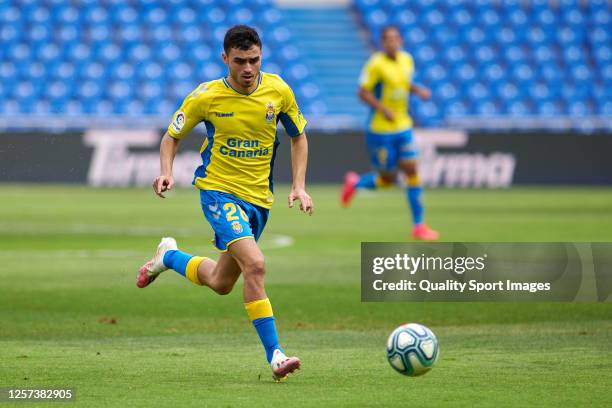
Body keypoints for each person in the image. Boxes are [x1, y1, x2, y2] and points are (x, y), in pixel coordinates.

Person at [136, 25, 313, 381]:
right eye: (240, 62)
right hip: (218, 191)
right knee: (257, 265)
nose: (248, 69)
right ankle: (275, 355)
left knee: (220, 282)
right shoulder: (206, 96)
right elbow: (171, 137)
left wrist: (299, 186)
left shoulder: (278, 90)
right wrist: (166, 171)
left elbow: (298, 137)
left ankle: (167, 256)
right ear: (225, 59)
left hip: (259, 200)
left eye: (254, 60)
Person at [341, 25, 439, 241]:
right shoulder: (375, 64)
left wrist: (418, 90)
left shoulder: (407, 60)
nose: (392, 42)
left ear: (401, 40)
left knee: (412, 171)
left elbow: (403, 83)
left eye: (395, 38)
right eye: (388, 39)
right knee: (387, 179)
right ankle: (355, 183)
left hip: (403, 126)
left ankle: (419, 226)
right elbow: (362, 92)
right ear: (382, 43)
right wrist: (383, 110)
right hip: (380, 129)